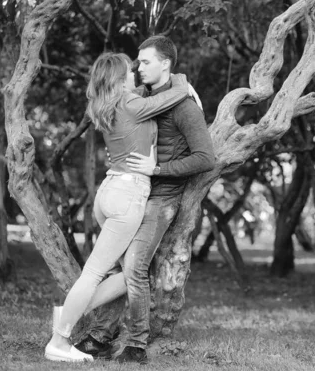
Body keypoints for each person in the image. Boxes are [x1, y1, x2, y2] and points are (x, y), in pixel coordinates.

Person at [74, 35, 215, 364]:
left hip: (160, 198)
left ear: (165, 64)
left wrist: (159, 169)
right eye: (136, 61)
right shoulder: (139, 97)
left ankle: (136, 345)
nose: (138, 66)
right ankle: (101, 337)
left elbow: (205, 159)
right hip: (130, 194)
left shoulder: (184, 107)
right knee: (116, 266)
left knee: (134, 267)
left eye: (146, 61)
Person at [44, 52, 192, 362]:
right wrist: (182, 80)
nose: (136, 71)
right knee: (95, 273)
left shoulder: (109, 102)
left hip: (109, 191)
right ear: (118, 77)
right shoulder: (132, 104)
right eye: (130, 69)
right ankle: (59, 340)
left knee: (129, 275)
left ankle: (66, 313)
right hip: (129, 194)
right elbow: (172, 95)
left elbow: (143, 95)